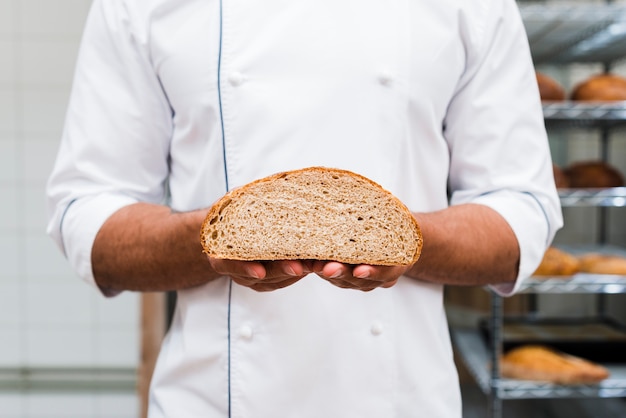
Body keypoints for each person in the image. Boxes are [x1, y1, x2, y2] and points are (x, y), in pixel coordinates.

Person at [46, 0, 563, 416]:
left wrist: (403, 237)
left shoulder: (473, 7)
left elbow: (520, 209)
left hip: (403, 401)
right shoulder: (138, 6)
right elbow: (87, 213)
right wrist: (213, 237)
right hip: (210, 400)